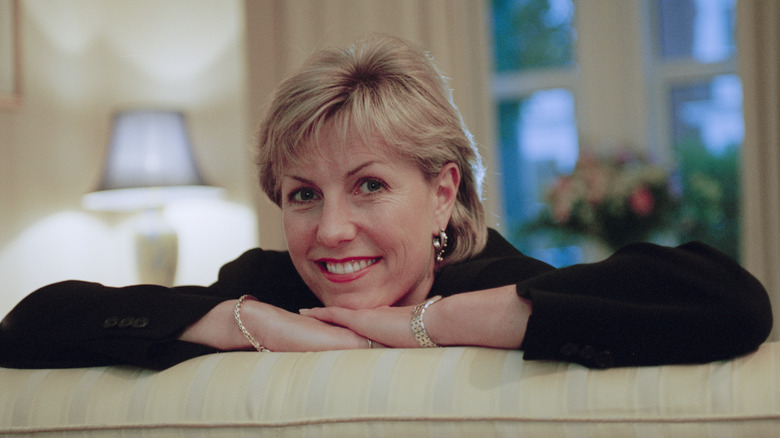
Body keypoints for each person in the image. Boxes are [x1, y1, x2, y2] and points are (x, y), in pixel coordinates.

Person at [0, 35, 772, 370]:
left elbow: (729, 303)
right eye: (303, 194)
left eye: (370, 184)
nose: (331, 231)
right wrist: (245, 321)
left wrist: (417, 325)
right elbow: (30, 324)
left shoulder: (495, 280)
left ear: (443, 192)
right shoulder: (268, 288)